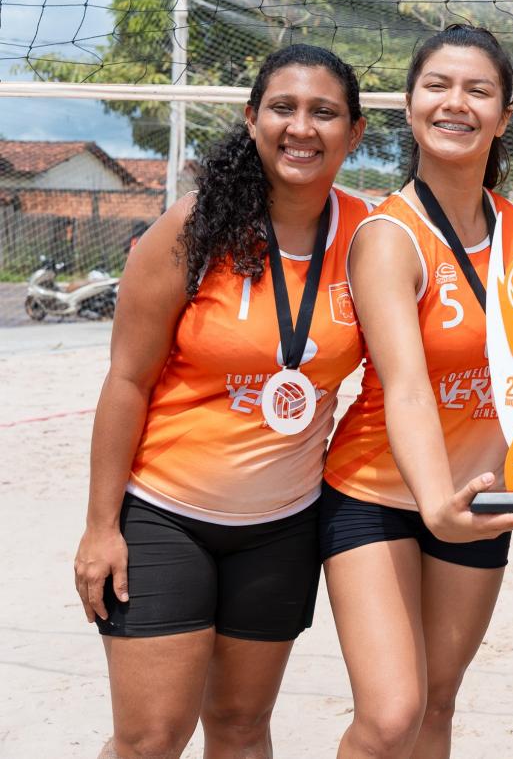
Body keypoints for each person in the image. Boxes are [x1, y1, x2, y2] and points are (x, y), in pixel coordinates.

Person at [72, 45, 370, 759]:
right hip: (166, 514)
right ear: (251, 118)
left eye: (325, 112)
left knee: (240, 729)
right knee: (151, 738)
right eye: (283, 108)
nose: (302, 127)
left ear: (355, 132)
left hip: (283, 526)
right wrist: (100, 527)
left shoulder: (370, 235)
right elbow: (127, 380)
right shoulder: (194, 227)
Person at [321, 25, 513, 759]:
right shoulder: (389, 235)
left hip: (482, 493)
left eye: (478, 90)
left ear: (504, 117)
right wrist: (436, 504)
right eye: (438, 86)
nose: (456, 103)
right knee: (391, 717)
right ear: (409, 104)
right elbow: (407, 389)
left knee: (437, 704)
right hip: (380, 492)